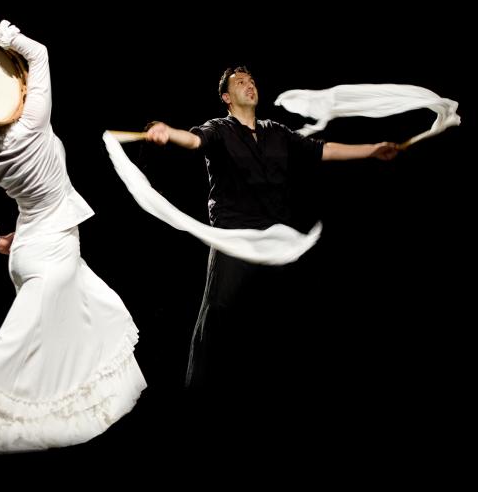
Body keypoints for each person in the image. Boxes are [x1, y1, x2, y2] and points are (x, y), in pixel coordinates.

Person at [0, 19, 146, 453]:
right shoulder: (32, 119)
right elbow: (39, 53)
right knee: (21, 343)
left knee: (75, 326)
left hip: (30, 247)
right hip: (52, 251)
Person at [144, 66, 399, 409]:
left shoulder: (276, 132)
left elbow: (320, 150)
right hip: (235, 236)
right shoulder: (218, 130)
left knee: (288, 315)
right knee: (219, 312)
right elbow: (193, 140)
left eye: (251, 80)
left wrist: (371, 149)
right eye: (239, 82)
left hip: (276, 237)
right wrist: (165, 131)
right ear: (225, 97)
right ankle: (197, 400)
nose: (249, 85)